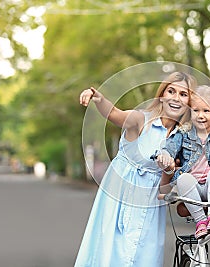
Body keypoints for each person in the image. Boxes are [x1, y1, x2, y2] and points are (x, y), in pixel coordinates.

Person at [75, 71, 197, 267]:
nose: (176, 98)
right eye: (171, 91)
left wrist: (170, 170)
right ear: (161, 96)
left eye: (183, 94)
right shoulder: (142, 120)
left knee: (143, 255)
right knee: (113, 250)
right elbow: (115, 114)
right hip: (122, 193)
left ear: (190, 101)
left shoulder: (183, 137)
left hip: (151, 203)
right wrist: (98, 99)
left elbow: (167, 187)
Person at [156, 85, 210, 239]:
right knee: (183, 178)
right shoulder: (184, 133)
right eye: (196, 110)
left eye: (206, 111)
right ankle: (201, 221)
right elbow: (168, 147)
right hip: (192, 189)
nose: (200, 115)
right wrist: (164, 155)